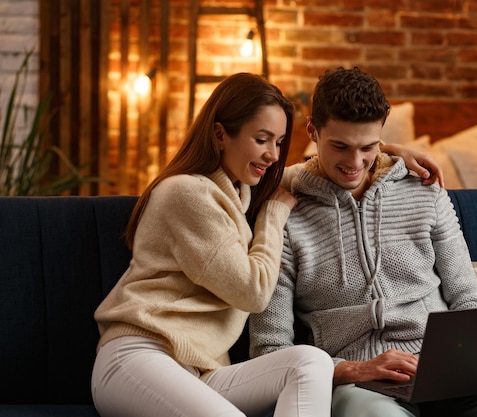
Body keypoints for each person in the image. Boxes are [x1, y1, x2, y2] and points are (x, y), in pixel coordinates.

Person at [91, 72, 443, 417]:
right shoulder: (187, 193)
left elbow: (320, 172)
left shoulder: (242, 190)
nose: (273, 155)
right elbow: (252, 293)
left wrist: (386, 155)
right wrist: (273, 216)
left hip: (201, 373)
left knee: (311, 361)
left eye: (278, 142)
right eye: (262, 140)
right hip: (139, 357)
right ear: (220, 135)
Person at [248, 67, 477, 417]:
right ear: (312, 130)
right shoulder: (283, 213)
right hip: (359, 384)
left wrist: (466, 361)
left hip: (447, 372)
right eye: (340, 146)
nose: (354, 163)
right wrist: (350, 370)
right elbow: (271, 349)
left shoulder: (425, 191)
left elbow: (467, 297)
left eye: (368, 147)